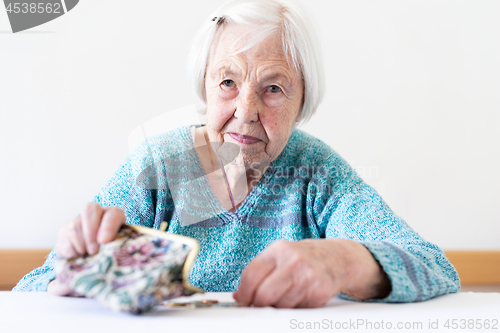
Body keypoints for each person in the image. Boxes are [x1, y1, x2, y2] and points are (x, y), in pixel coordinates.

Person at [14, 0, 460, 308]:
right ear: (205, 86)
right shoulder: (158, 166)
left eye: (273, 88)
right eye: (228, 82)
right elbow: (31, 288)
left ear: (302, 102)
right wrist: (74, 278)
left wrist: (347, 261)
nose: (245, 112)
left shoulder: (317, 174)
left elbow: (434, 267)